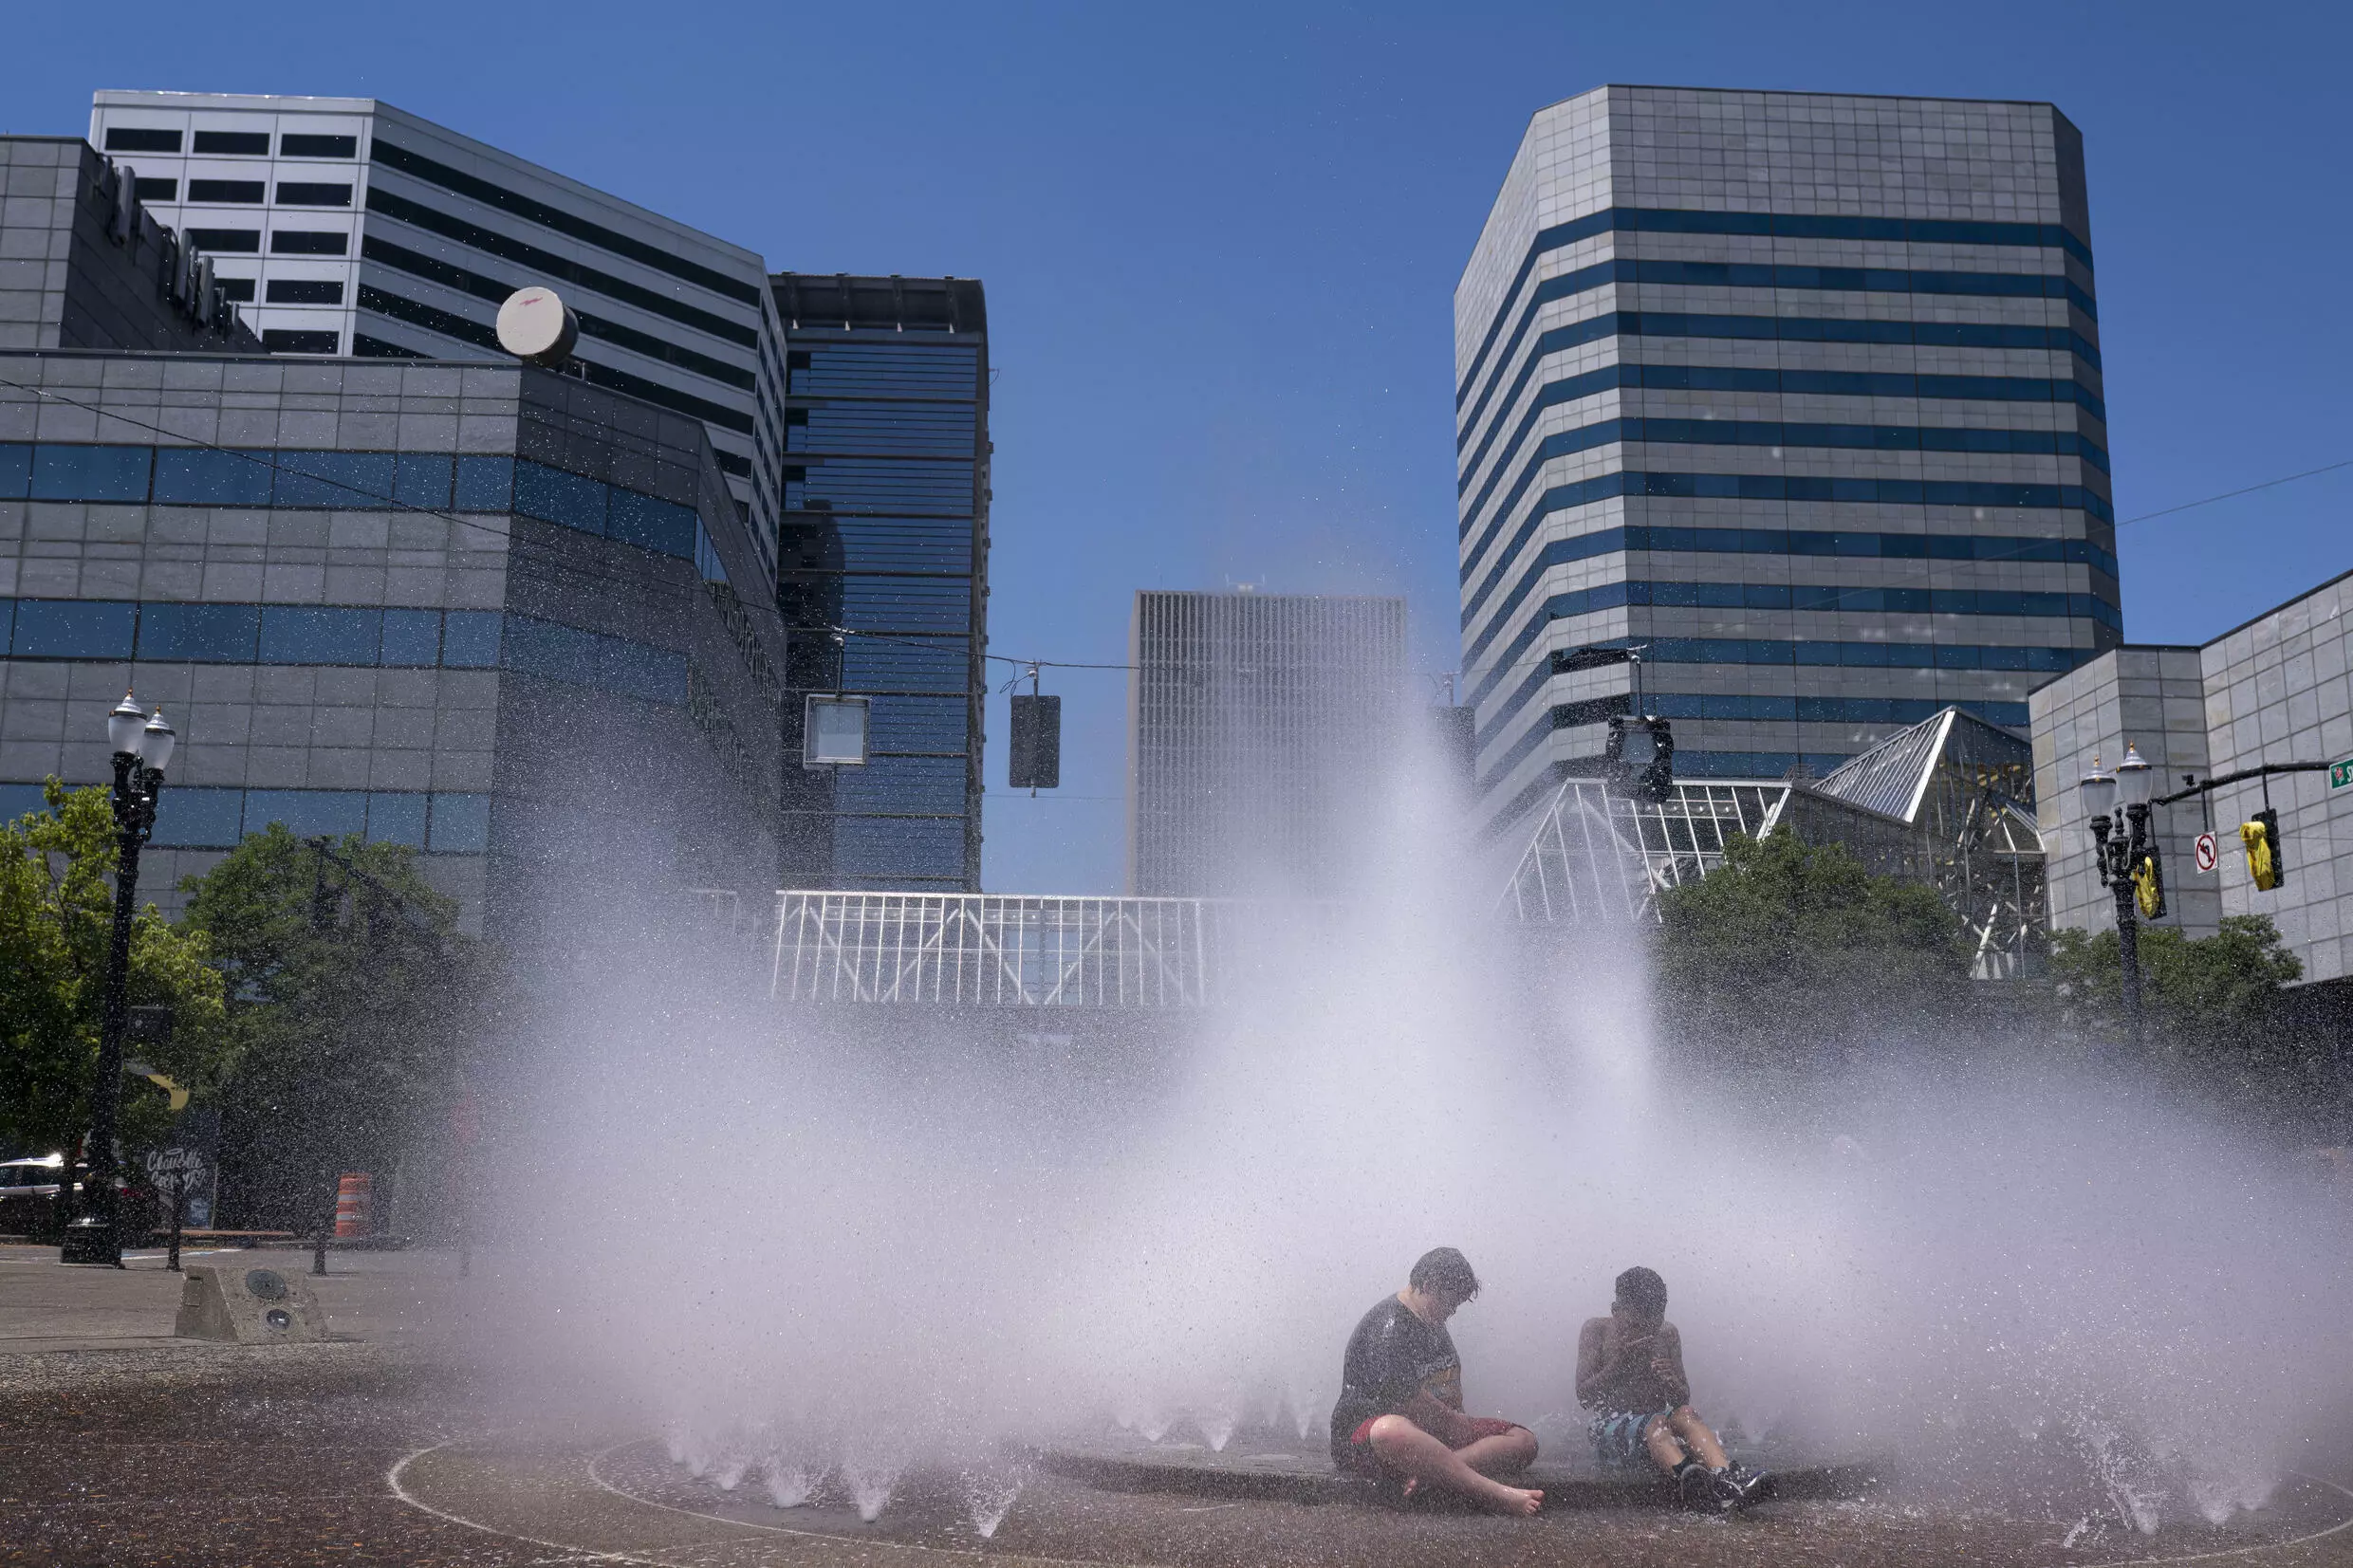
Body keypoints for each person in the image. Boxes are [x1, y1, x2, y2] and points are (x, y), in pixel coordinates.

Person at [1329, 1246, 1544, 1516]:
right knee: (1389, 1430)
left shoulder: (1432, 1322)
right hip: (1366, 1441)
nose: (1452, 1311)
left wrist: (1459, 1424)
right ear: (1429, 1286)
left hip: (1430, 1435)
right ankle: (1495, 1494)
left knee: (1523, 1440)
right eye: (1451, 1302)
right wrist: (1457, 1424)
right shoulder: (1388, 1328)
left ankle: (1437, 1468)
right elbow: (1408, 1403)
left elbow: (1449, 1387)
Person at [1575, 1265, 1769, 1508]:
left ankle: (1726, 1476)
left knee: (1686, 1414)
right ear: (1616, 1311)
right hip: (1612, 1428)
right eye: (1637, 1325)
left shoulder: (1667, 1334)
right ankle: (1691, 1479)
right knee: (1656, 1423)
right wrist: (1618, 1364)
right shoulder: (1597, 1331)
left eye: (1654, 1323)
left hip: (1658, 1425)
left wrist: (1670, 1381)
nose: (1648, 1332)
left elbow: (1681, 1398)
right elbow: (1583, 1396)